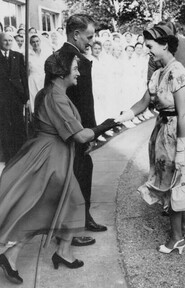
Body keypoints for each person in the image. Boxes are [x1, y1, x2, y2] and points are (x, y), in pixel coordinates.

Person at [0, 50, 117, 285]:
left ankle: (60, 252)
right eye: (75, 68)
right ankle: (17, 255)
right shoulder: (57, 97)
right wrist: (105, 125)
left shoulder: (51, 92)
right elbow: (81, 136)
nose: (79, 73)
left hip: (50, 154)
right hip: (49, 158)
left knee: (68, 204)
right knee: (46, 207)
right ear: (62, 72)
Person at [115, 25, 185, 255]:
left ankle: (176, 238)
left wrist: (180, 150)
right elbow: (144, 102)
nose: (146, 50)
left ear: (164, 45)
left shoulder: (177, 71)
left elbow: (181, 113)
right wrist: (125, 116)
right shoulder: (158, 72)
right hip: (163, 131)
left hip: (177, 133)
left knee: (173, 184)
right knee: (171, 180)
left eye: (149, 46)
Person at [50, 14, 108, 238]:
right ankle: (71, 229)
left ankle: (83, 219)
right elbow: (80, 102)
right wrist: (89, 133)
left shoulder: (60, 56)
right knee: (75, 177)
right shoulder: (72, 59)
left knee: (81, 173)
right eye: (89, 36)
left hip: (70, 129)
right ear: (75, 34)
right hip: (74, 130)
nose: (91, 42)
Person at [148, 22, 185, 224]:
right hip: (177, 117)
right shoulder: (157, 50)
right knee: (177, 164)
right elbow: (151, 82)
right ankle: (179, 207)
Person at [0, 32, 29, 163]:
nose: (8, 43)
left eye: (10, 40)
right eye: (5, 40)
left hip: (17, 97)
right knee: (5, 126)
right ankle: (8, 156)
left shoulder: (18, 56)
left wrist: (26, 97)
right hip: (2, 98)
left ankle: (21, 154)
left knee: (18, 125)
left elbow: (24, 78)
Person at [28, 34, 49, 112]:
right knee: (35, 100)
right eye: (33, 42)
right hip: (33, 80)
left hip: (44, 79)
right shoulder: (28, 55)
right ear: (30, 44)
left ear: (40, 41)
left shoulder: (46, 53)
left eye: (37, 41)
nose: (36, 44)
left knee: (45, 100)